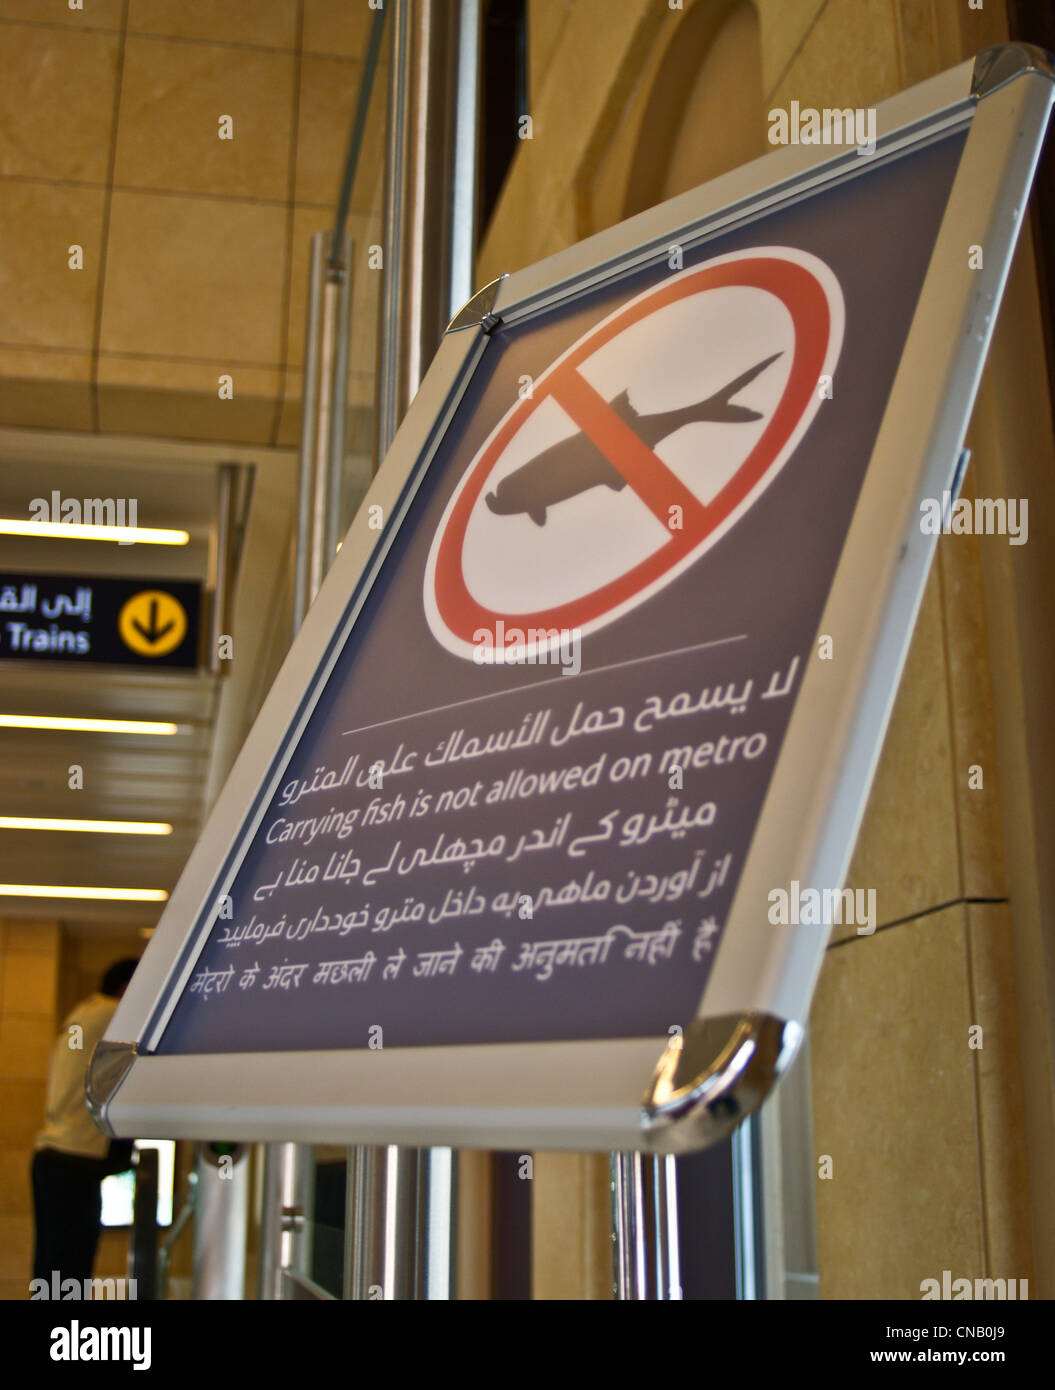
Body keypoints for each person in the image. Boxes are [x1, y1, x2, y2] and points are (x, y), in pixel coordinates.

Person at [31, 958, 139, 1288]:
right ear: (126, 989)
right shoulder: (112, 1014)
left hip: (57, 1157)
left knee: (54, 1268)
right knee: (69, 1268)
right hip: (74, 1161)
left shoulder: (85, 1014)